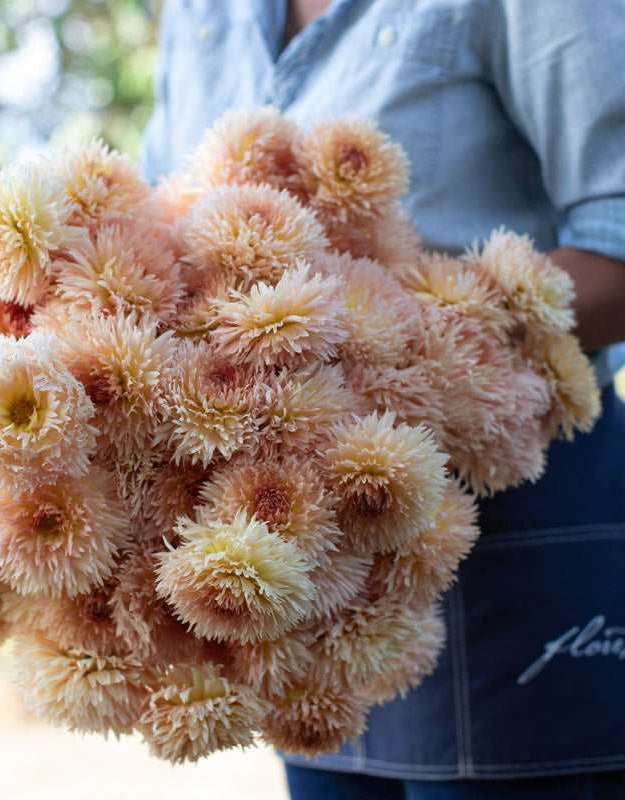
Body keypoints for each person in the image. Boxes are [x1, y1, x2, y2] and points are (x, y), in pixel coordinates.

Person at [140, 1, 625, 797]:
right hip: (302, 573)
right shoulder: (201, 12)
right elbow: (162, 237)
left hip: (516, 522)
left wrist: (394, 341)